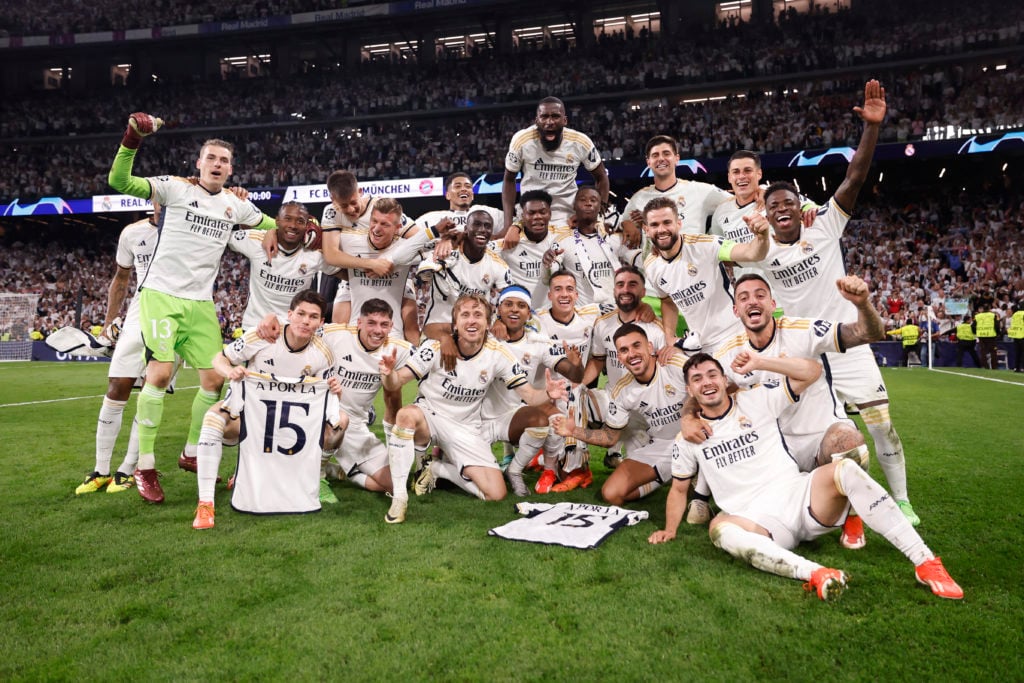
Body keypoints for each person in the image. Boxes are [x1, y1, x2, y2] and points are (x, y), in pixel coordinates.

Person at [648, 353, 963, 602]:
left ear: (724, 379)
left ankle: (925, 562)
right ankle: (818, 574)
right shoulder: (686, 439)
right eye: (697, 379)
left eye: (712, 374)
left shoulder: (755, 400)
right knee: (719, 529)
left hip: (801, 497)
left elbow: (811, 372)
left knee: (847, 469)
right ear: (689, 390)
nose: (706, 382)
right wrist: (669, 529)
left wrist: (759, 363)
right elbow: (678, 490)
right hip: (757, 522)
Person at [751, 81, 921, 525]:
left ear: (800, 205)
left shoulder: (823, 225)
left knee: (882, 424)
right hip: (807, 353)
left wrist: (871, 129)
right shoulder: (760, 251)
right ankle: (826, 503)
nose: (782, 210)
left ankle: (901, 499)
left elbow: (855, 177)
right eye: (774, 206)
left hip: (849, 341)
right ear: (767, 214)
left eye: (789, 202)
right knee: (816, 436)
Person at [107, 113, 278, 504]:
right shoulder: (174, 189)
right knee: (161, 373)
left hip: (201, 303)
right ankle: (145, 467)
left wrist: (296, 228)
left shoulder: (236, 207)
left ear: (232, 169)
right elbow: (119, 182)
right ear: (198, 163)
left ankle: (191, 452)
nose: (218, 164)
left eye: (225, 160)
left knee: (212, 382)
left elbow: (279, 224)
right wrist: (133, 138)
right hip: (161, 297)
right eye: (211, 158)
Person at [703, 274, 885, 550]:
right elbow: (704, 390)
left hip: (819, 436)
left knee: (849, 443)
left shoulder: (801, 329)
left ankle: (853, 514)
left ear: (772, 303)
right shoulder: (726, 351)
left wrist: (863, 304)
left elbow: (869, 333)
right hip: (773, 449)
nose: (752, 301)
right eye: (744, 297)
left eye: (760, 295)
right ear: (735, 310)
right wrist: (688, 417)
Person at [378, 293, 567, 524]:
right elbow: (397, 382)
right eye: (465, 315)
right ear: (455, 323)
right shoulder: (435, 347)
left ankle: (436, 468)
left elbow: (529, 394)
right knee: (406, 415)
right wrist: (388, 375)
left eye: (478, 315)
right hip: (431, 415)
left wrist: (548, 393)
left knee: (496, 494)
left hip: (467, 427)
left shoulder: (498, 354)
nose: (471, 321)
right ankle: (399, 499)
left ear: (488, 323)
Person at [193, 291, 338, 529]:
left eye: (313, 317)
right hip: (246, 418)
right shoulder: (263, 336)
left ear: (321, 322)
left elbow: (326, 394)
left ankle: (315, 478)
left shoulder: (323, 353)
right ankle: (206, 502)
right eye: (300, 314)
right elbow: (219, 359)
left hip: (287, 431)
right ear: (289, 314)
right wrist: (230, 372)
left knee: (339, 423)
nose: (305, 321)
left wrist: (334, 388)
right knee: (212, 419)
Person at [75, 203, 161, 495]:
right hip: (139, 312)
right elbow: (121, 278)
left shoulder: (189, 229)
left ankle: (127, 470)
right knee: (116, 386)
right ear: (154, 201)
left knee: (152, 391)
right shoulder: (133, 233)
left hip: (171, 317)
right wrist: (108, 322)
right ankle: (100, 470)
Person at [552, 323, 687, 506]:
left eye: (636, 346)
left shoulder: (676, 365)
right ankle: (668, 474)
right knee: (611, 494)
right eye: (624, 350)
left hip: (697, 436)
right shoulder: (622, 391)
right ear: (619, 358)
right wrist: (573, 431)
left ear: (650, 347)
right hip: (663, 445)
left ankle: (696, 481)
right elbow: (609, 437)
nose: (631, 354)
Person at [487, 285, 584, 496]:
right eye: (508, 304)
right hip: (481, 419)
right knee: (483, 484)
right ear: (498, 309)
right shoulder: (485, 340)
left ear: (529, 313)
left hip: (517, 416)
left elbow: (575, 376)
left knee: (553, 418)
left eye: (521, 306)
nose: (514, 310)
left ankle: (528, 470)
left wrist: (576, 365)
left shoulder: (538, 343)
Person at [642, 196, 769, 355]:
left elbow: (752, 253)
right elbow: (667, 301)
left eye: (667, 222)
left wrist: (762, 236)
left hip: (736, 336)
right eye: (654, 225)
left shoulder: (706, 245)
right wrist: (669, 338)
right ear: (646, 230)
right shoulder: (651, 266)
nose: (661, 230)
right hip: (699, 348)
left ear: (678, 224)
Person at [320, 298, 414, 496]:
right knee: (338, 419)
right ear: (359, 323)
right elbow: (297, 330)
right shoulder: (336, 335)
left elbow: (430, 359)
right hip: (323, 418)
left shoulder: (398, 349)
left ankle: (343, 471)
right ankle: (317, 474)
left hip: (356, 427)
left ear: (391, 326)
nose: (377, 330)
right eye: (371, 323)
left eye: (384, 325)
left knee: (394, 484)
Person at [534, 270, 611, 492]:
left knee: (576, 397)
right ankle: (550, 460)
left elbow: (598, 358)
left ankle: (576, 470)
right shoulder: (537, 320)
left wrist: (582, 381)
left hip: (578, 393)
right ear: (549, 295)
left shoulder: (591, 315)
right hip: (544, 396)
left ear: (577, 295)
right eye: (558, 289)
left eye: (569, 289)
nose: (564, 294)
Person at [583, 265, 666, 468]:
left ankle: (620, 447)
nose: (625, 289)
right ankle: (576, 461)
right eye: (620, 284)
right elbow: (598, 360)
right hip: (613, 398)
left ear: (643, 292)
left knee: (640, 466)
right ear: (614, 290)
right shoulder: (603, 323)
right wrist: (577, 386)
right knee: (578, 401)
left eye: (633, 284)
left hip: (644, 408)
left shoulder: (656, 328)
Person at [502, 96, 609, 231]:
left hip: (568, 219)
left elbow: (601, 177)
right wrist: (507, 224)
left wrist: (598, 215)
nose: (550, 122)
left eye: (555, 116)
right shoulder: (522, 141)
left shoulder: (580, 142)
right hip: (531, 217)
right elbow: (509, 180)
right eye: (544, 117)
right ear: (536, 120)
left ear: (565, 120)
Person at [419, 210, 513, 364]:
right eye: (477, 224)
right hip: (437, 330)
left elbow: (511, 298)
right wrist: (445, 337)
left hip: (475, 331)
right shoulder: (445, 253)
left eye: (488, 226)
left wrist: (499, 319)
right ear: (466, 229)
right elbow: (414, 260)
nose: (483, 229)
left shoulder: (497, 264)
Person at [227, 201, 339, 329]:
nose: (293, 225)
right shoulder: (257, 241)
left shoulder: (315, 254)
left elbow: (345, 273)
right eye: (287, 219)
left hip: (293, 328)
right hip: (255, 327)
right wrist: (237, 199)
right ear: (277, 221)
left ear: (307, 226)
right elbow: (221, 239)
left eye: (300, 221)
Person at [620, 135, 733, 247]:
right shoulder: (638, 198)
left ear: (676, 159)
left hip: (694, 263)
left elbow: (737, 204)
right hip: (655, 264)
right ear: (648, 162)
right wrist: (626, 224)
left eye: (666, 153)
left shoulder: (700, 191)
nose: (661, 159)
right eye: (655, 155)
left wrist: (718, 241)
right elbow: (622, 224)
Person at [545, 186, 639, 306]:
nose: (588, 203)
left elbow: (639, 259)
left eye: (593, 200)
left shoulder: (613, 238)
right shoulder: (562, 241)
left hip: (616, 311)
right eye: (583, 200)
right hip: (583, 314)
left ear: (600, 207)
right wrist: (547, 265)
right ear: (574, 206)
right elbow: (547, 277)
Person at [495, 190, 558, 312]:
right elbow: (480, 248)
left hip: (551, 315)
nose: (537, 216)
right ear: (522, 216)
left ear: (550, 214)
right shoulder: (510, 241)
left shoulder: (561, 237)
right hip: (519, 314)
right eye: (531, 213)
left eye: (542, 212)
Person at [415, 171, 504, 238]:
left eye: (468, 186)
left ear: (472, 195)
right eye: (458, 186)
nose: (464, 189)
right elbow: (411, 241)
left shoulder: (489, 213)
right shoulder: (430, 218)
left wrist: (495, 239)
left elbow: (513, 226)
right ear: (448, 195)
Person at [1008, 304, 1024, 372]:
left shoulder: (1015, 314)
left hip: (1016, 335)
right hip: (1023, 335)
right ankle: (1023, 367)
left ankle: (1017, 368)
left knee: (1018, 353)